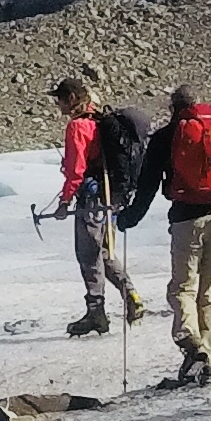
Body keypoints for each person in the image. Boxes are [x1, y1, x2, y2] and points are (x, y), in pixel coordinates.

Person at [122, 82, 211, 386]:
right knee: (210, 291)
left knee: (182, 288)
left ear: (172, 107)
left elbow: (148, 185)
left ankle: (192, 345)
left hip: (185, 221)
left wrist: (130, 218)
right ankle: (210, 359)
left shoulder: (166, 138)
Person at [41, 77, 144, 339]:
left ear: (72, 99)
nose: (58, 105)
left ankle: (96, 312)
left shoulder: (78, 127)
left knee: (88, 254)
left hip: (91, 199)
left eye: (61, 99)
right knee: (105, 251)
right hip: (110, 197)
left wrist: (65, 202)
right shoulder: (100, 121)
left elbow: (76, 171)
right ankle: (130, 293)